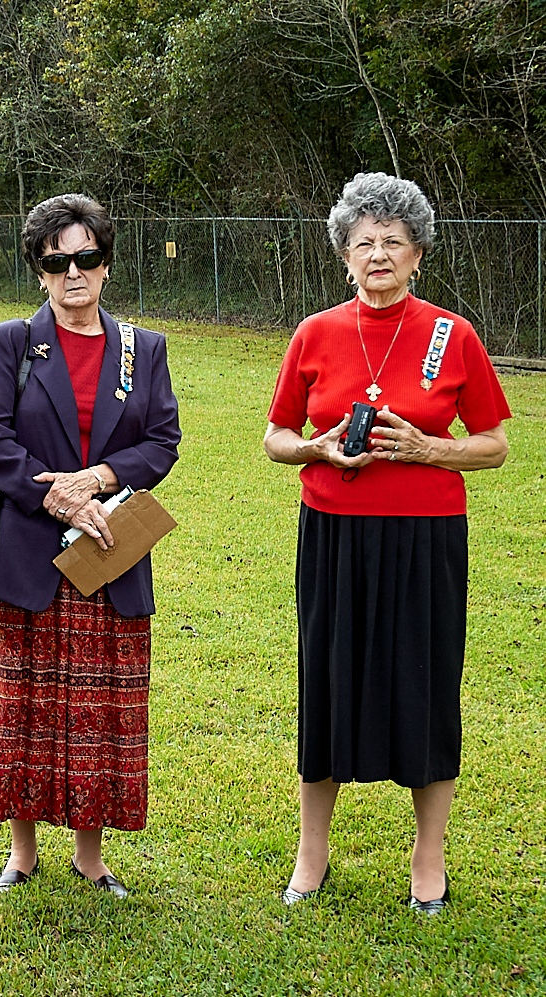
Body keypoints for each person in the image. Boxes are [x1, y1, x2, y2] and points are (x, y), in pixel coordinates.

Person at [265, 172, 510, 914]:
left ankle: (427, 858)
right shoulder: (315, 331)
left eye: (393, 243)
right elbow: (276, 437)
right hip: (334, 535)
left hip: (426, 540)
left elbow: (495, 444)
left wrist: (429, 449)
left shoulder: (452, 334)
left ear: (418, 255)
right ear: (344, 254)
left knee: (426, 684)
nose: (378, 255)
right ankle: (313, 853)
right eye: (363, 242)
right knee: (327, 683)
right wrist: (318, 450)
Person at [0, 194, 180, 897]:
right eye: (55, 261)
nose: (73, 273)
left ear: (107, 263)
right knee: (21, 702)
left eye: (86, 257)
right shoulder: (8, 342)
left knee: (102, 708)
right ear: (38, 271)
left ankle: (91, 856)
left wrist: (99, 477)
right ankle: (21, 853)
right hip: (27, 553)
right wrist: (53, 492)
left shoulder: (142, 349)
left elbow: (163, 441)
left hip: (110, 551)